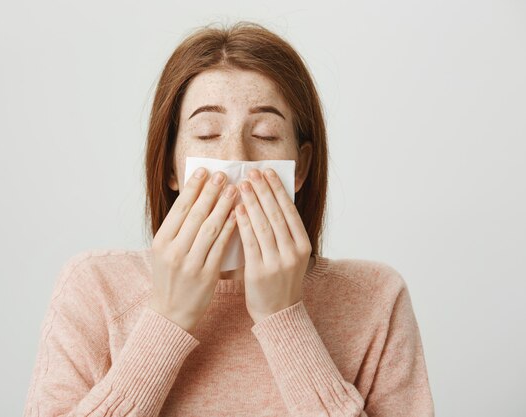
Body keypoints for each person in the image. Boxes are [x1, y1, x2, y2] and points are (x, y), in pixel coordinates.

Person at [23, 21, 435, 417]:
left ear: (302, 167)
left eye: (266, 135)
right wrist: (167, 317)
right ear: (170, 166)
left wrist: (284, 320)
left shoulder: (377, 298)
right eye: (206, 133)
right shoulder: (94, 288)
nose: (235, 156)